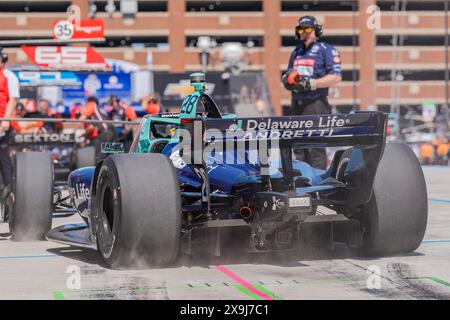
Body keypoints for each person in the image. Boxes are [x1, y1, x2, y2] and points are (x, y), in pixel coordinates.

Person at [282, 15, 342, 170]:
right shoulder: (296, 52)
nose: (304, 32)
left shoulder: (326, 50)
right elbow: (289, 74)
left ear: (316, 30)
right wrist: (287, 82)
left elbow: (336, 77)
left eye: (308, 29)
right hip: (297, 104)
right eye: (301, 29)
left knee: (316, 148)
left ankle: (318, 187)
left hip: (316, 104)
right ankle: (301, 181)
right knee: (299, 147)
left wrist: (311, 83)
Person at [0, 49, 20, 202]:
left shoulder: (9, 76)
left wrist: (5, 120)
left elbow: (13, 100)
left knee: (4, 163)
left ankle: (10, 198)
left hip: (2, 125)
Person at [80, 96, 114, 161]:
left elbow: (82, 118)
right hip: (111, 132)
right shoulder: (100, 109)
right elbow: (92, 126)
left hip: (104, 133)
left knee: (100, 158)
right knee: (111, 157)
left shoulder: (92, 104)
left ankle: (99, 171)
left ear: (88, 101)